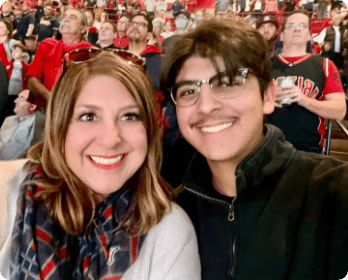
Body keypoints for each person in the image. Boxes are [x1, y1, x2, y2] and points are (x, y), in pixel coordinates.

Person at [160, 18, 348, 280]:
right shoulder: (171, 215)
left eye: (227, 82)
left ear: (268, 96)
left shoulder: (335, 191)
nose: (205, 106)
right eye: (188, 91)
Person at [2, 50, 200, 280]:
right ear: (60, 127)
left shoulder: (170, 231)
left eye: (129, 116)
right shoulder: (13, 196)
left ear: (149, 130)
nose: (110, 139)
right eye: (88, 116)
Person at [268, 10, 346, 153]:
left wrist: (304, 100)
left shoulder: (325, 65)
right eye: (291, 25)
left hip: (308, 151)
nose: (297, 28)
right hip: (266, 148)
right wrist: (267, 98)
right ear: (282, 35)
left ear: (310, 36)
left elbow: (340, 111)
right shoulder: (264, 65)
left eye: (302, 25)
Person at [27, 7, 92, 108]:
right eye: (64, 17)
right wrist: (50, 99)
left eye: (72, 17)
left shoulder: (91, 53)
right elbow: (32, 80)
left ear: (83, 28)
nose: (66, 19)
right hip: (46, 108)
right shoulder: (46, 45)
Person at [0, 89, 36, 160]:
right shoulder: (9, 120)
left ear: (32, 106)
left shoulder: (34, 125)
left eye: (22, 99)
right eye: (18, 97)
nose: (15, 101)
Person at [6, 42, 30, 116]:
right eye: (13, 50)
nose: (14, 52)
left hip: (20, 93)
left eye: (17, 50)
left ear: (23, 54)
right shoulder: (9, 66)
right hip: (9, 93)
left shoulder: (27, 67)